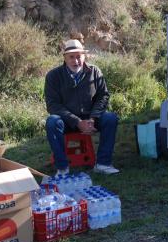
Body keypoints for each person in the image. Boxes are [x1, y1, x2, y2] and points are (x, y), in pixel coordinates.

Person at [44, 39, 119, 176]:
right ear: (65, 58)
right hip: (67, 121)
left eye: (79, 56)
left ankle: (103, 163)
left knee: (110, 118)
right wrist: (77, 122)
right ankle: (62, 168)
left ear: (84, 56)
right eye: (71, 57)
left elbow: (103, 96)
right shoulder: (53, 76)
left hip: (91, 118)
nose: (76, 61)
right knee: (52, 122)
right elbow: (53, 105)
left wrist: (93, 118)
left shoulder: (95, 71)